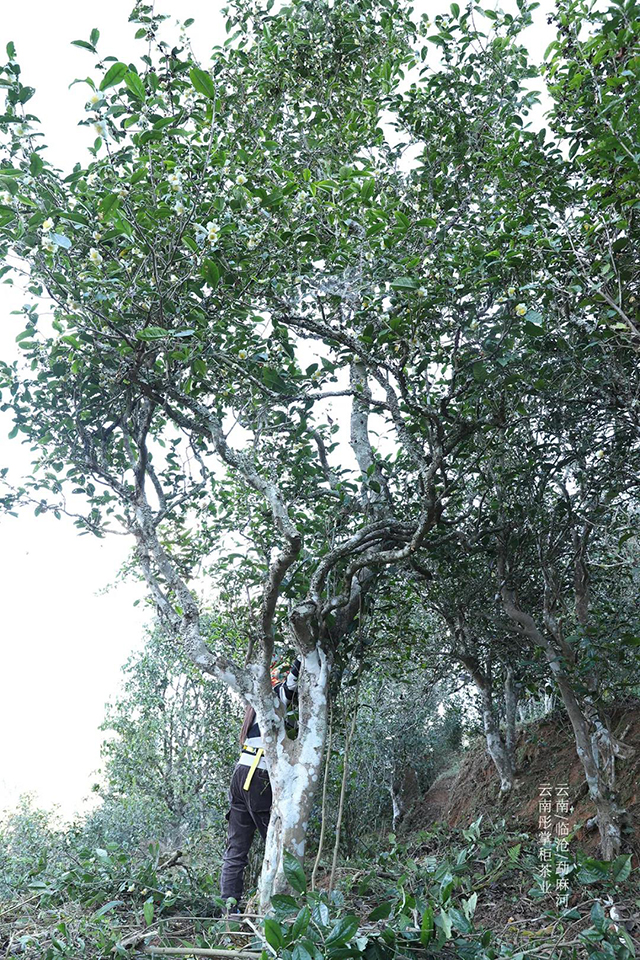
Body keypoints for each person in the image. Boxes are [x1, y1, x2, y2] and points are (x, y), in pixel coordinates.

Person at [219, 655, 301, 912]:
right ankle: (277, 906)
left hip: (241, 772)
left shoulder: (252, 707)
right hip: (259, 775)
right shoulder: (274, 699)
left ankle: (229, 910)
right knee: (274, 841)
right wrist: (300, 657)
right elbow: (292, 683)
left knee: (237, 847)